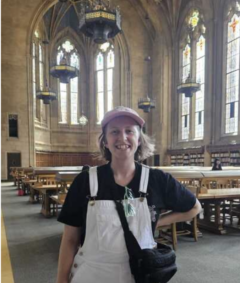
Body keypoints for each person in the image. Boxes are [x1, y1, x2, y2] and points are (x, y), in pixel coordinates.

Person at [56, 106, 202, 283]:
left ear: (139, 139)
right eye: (114, 131)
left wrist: (155, 222)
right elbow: (70, 239)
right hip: (92, 274)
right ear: (105, 141)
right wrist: (62, 280)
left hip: (140, 274)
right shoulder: (85, 181)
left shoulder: (157, 179)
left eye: (129, 131)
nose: (122, 138)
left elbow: (194, 207)